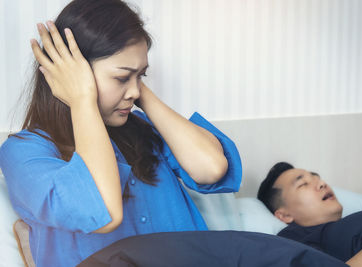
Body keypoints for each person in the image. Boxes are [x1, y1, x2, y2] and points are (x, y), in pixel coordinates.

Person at [0, 0, 243, 266]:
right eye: (121, 78)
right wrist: (82, 98)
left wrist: (137, 89)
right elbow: (102, 211)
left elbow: (211, 168)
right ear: (70, 75)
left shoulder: (145, 129)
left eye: (141, 76)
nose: (135, 91)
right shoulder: (23, 152)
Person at [258, 162, 362, 267]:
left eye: (316, 178)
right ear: (284, 215)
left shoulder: (347, 225)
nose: (321, 184)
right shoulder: (292, 241)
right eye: (303, 184)